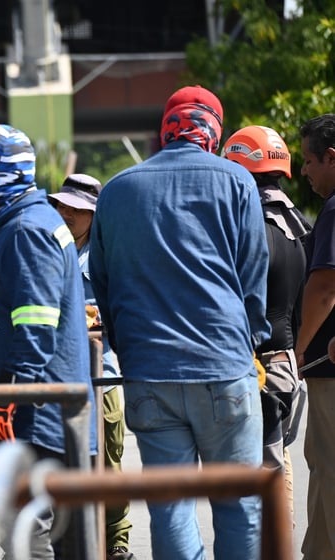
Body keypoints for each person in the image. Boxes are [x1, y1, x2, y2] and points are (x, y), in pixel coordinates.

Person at [89, 85, 269, 559]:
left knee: (170, 509)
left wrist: (127, 347)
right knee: (239, 505)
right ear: (214, 128)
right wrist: (253, 340)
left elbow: (102, 284)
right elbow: (253, 274)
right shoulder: (236, 181)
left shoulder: (119, 189)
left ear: (165, 129)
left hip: (149, 371)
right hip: (224, 365)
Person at [0, 123, 96, 560]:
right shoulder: (26, 221)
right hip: (35, 412)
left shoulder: (25, 231)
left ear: (3, 173)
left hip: (32, 416)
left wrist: (5, 399)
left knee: (27, 532)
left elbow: (35, 328)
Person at [221, 125, 310, 523]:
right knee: (277, 464)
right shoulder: (298, 224)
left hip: (255, 368)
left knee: (254, 478)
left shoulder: (246, 227)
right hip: (287, 363)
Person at [49, 173, 135, 560]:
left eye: (76, 209)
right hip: (57, 375)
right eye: (62, 205)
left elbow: (126, 309)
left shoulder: (113, 254)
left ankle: (116, 539)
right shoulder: (48, 250)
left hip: (105, 372)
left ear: (95, 215)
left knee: (109, 458)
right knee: (57, 459)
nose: (66, 212)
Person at [294, 113, 335, 559]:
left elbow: (325, 286)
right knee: (322, 469)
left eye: (308, 161)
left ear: (332, 157)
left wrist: (299, 345)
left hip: (328, 366)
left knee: (330, 468)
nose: (303, 171)